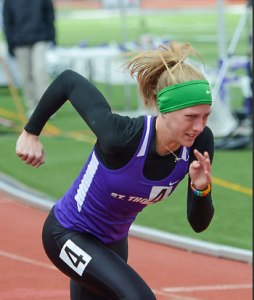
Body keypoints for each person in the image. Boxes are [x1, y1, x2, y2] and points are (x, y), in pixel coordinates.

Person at [15, 42, 215, 300]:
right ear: (165, 109)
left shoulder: (199, 143)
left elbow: (198, 224)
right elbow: (68, 81)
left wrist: (201, 188)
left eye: (206, 116)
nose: (199, 126)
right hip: (67, 233)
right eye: (191, 116)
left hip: (113, 243)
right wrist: (31, 132)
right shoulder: (122, 136)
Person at [3, 0, 55, 115]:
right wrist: (10, 42)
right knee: (25, 75)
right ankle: (33, 106)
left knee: (39, 70)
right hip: (19, 40)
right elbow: (7, 20)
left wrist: (52, 36)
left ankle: (47, 107)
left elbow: (49, 14)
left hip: (40, 37)